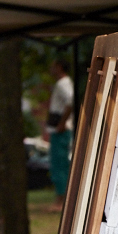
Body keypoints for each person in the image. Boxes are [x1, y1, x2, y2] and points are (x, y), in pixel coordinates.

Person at [46, 59, 74, 211]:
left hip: (60, 130)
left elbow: (71, 100)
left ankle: (61, 201)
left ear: (59, 66)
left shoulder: (63, 84)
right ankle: (61, 199)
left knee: (59, 165)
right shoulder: (65, 83)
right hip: (60, 129)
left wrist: (62, 123)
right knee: (61, 164)